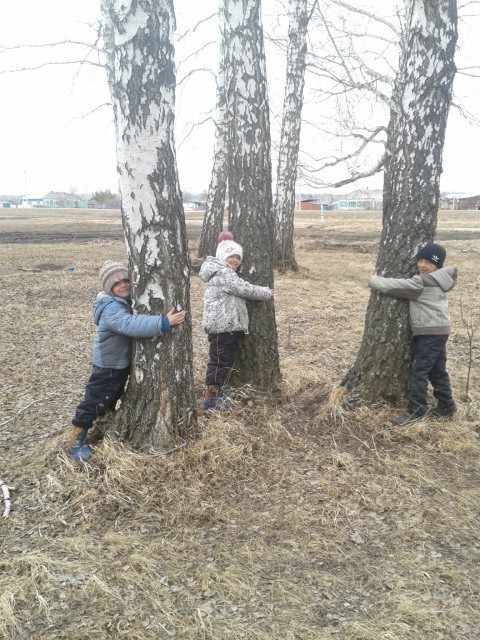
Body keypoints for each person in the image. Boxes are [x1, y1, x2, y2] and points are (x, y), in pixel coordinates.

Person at [68, 260, 186, 461]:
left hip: (118, 364)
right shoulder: (110, 308)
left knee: (112, 396)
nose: (123, 285)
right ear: (108, 288)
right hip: (108, 365)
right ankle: (76, 440)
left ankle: (104, 424)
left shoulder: (122, 301)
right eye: (116, 283)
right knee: (95, 400)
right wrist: (163, 322)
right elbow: (129, 324)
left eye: (125, 280)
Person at [369, 242, 457, 426]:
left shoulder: (423, 282)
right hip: (440, 331)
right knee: (437, 370)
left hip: (429, 333)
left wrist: (373, 280)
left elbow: (393, 286)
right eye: (421, 260)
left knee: (420, 371)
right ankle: (447, 406)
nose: (422, 265)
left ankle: (416, 409)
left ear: (437, 266)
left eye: (428, 263)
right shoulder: (441, 279)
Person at [199, 231, 274, 409]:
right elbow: (243, 289)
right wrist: (265, 293)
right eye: (231, 256)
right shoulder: (223, 273)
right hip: (220, 328)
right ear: (222, 257)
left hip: (227, 326)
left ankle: (218, 391)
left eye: (238, 258)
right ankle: (211, 398)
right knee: (218, 362)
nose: (235, 260)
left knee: (223, 361)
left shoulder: (224, 272)